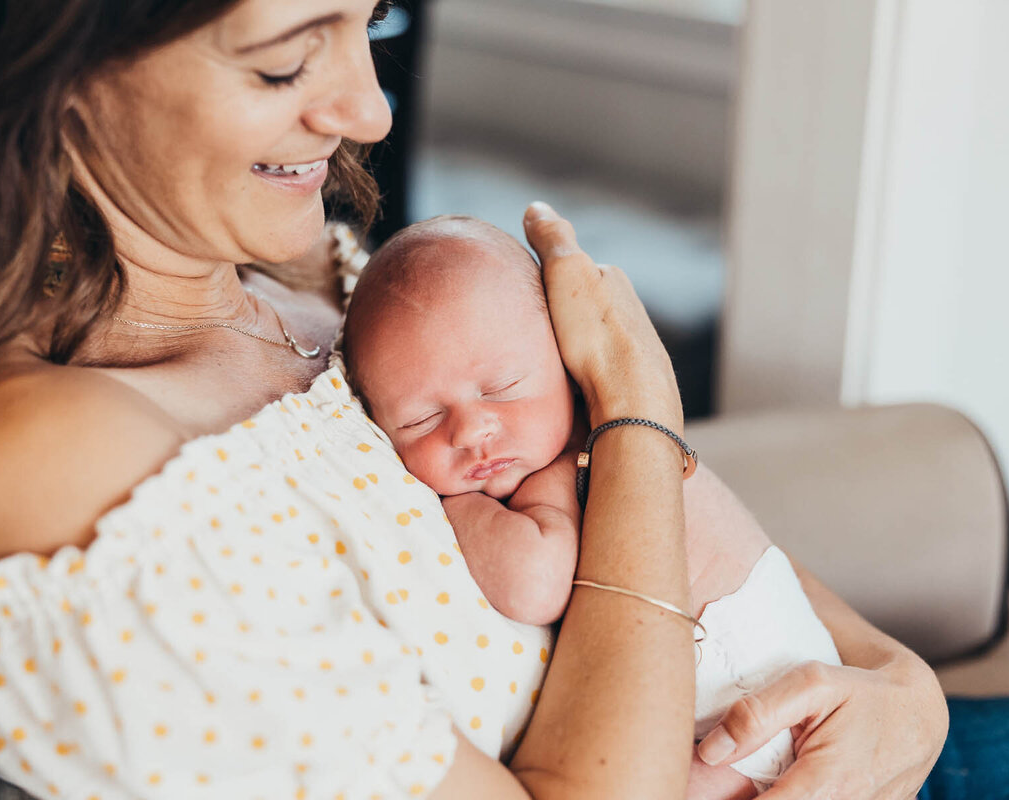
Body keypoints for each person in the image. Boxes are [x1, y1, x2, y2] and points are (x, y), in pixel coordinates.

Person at [0, 1, 953, 798]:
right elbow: (629, 474)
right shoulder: (60, 462)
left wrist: (904, 693)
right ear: (59, 70)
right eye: (285, 60)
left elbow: (676, 527)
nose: (370, 107)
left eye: (373, 17)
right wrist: (635, 414)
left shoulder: (306, 284)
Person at [342, 215, 843, 797]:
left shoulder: (573, 462)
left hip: (755, 716)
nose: (472, 429)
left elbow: (534, 583)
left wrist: (452, 507)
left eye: (502, 387)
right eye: (420, 420)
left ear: (569, 362)